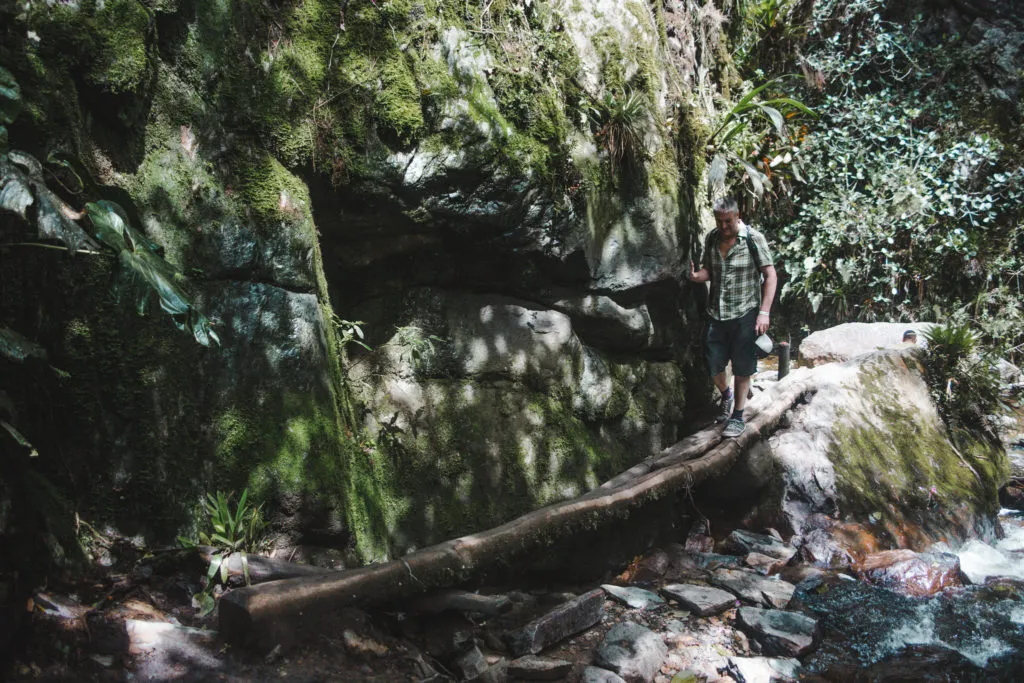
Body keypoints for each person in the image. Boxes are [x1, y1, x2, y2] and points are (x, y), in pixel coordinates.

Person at [687, 197, 778, 437]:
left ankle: (737, 416)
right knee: (713, 362)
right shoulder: (711, 238)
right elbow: (711, 270)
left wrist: (764, 313)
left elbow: (770, 276)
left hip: (745, 313)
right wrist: (698, 276)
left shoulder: (753, 240)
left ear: (737, 217)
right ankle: (726, 394)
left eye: (728, 221)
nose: (724, 226)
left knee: (742, 366)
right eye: (719, 221)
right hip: (717, 313)